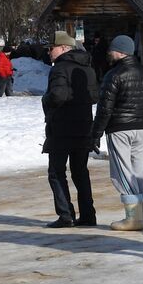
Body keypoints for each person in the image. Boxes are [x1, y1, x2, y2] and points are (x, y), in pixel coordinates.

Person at [92, 35, 143, 232]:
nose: (108, 53)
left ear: (120, 51)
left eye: (111, 50)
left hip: (119, 129)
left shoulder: (113, 75)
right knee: (141, 171)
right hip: (141, 129)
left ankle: (133, 218)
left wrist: (96, 133)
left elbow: (105, 108)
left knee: (122, 173)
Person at [42, 31, 97, 228]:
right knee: (80, 171)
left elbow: (58, 95)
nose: (49, 52)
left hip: (62, 128)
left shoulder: (60, 69)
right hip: (83, 126)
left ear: (64, 48)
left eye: (52, 48)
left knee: (56, 172)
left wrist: (45, 100)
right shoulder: (87, 68)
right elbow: (94, 96)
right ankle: (88, 214)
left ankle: (66, 215)